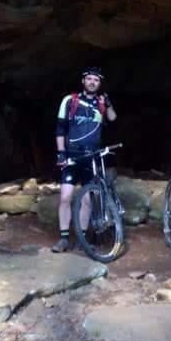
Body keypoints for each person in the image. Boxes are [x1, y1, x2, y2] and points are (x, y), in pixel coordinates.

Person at [52, 67, 117, 252]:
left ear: (99, 83)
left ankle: (82, 239)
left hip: (92, 157)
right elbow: (60, 129)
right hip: (72, 155)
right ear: (83, 81)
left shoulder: (101, 103)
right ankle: (64, 238)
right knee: (65, 197)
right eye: (89, 79)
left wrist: (108, 103)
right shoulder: (70, 101)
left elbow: (112, 118)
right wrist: (61, 152)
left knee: (87, 200)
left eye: (96, 80)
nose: (92, 82)